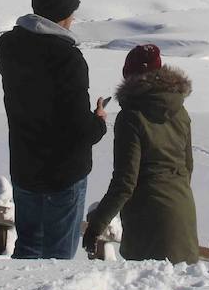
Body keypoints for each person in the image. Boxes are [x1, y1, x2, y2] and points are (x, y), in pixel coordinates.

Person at [0, 0, 107, 259]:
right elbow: (78, 129)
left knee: (28, 249)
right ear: (64, 14)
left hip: (25, 167)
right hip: (63, 175)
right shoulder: (67, 59)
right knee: (58, 259)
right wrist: (99, 122)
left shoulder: (9, 47)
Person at [83, 44, 200, 264]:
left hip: (148, 223)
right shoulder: (180, 111)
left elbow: (125, 182)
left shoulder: (131, 117)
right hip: (183, 213)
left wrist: (97, 225)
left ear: (128, 76)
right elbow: (188, 166)